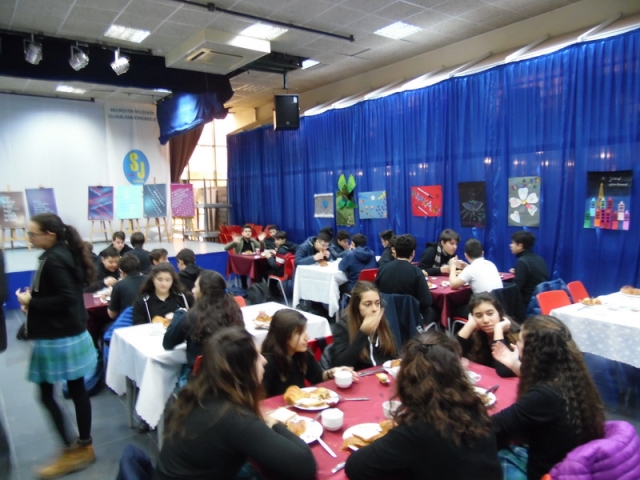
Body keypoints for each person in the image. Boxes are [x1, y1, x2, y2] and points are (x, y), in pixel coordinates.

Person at [155, 327, 317, 480]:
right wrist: (275, 424)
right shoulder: (233, 416)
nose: (264, 361)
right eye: (257, 356)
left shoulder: (201, 393)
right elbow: (304, 466)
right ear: (242, 369)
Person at [345, 331, 502, 480]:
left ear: (407, 379)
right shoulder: (474, 407)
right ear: (457, 372)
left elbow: (356, 467)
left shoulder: (417, 430)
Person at [14, 213, 97, 478]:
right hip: (69, 330)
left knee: (48, 395)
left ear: (49, 234)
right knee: (76, 389)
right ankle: (83, 444)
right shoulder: (64, 253)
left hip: (59, 335)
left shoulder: (54, 259)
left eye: (32, 233)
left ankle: (73, 449)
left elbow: (65, 298)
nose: (30, 238)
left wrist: (31, 301)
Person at [491, 316, 605, 480]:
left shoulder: (543, 396)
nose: (516, 344)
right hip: (572, 467)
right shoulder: (571, 377)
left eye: (520, 341)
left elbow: (494, 428)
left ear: (533, 351)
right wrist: (515, 365)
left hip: (546, 474)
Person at [261, 309, 356, 397]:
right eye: (299, 333)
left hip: (301, 402)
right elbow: (262, 399)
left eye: (305, 331)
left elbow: (317, 377)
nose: (307, 337)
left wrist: (333, 372)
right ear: (284, 337)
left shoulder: (302, 353)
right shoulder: (268, 363)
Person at [163, 270, 244, 371]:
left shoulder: (193, 316)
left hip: (203, 375)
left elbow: (167, 343)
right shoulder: (234, 311)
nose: (192, 290)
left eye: (195, 287)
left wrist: (178, 314)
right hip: (232, 371)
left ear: (203, 292)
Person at [331, 282, 397, 371]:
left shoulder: (383, 323)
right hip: (358, 376)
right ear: (356, 306)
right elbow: (340, 365)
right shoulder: (342, 326)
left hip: (383, 374)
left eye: (377, 303)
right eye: (368, 304)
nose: (374, 309)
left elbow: (394, 354)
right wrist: (363, 333)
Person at [375, 234, 435, 324]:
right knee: (435, 311)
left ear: (395, 251)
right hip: (410, 319)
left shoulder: (382, 269)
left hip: (386, 316)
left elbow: (375, 292)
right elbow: (426, 302)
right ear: (413, 253)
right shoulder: (417, 272)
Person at [456, 293, 519, 377]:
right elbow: (451, 355)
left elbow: (504, 371)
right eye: (479, 316)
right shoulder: (476, 334)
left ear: (499, 314)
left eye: (490, 314)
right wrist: (470, 325)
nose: (485, 320)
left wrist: (498, 330)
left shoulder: (517, 336)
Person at [509, 231, 549, 309]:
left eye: (512, 243)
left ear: (520, 246)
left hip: (529, 303)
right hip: (541, 300)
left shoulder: (522, 261)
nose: (510, 245)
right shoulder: (538, 258)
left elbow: (516, 288)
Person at [107, 254, 146, 320]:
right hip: (151, 319)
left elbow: (112, 315)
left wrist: (112, 295)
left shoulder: (119, 285)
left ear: (121, 271)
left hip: (129, 321)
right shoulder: (150, 279)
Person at [263, 231, 297, 297]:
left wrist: (269, 257)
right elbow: (285, 257)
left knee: (265, 272)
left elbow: (276, 266)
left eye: (278, 240)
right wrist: (277, 254)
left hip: (282, 272)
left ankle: (275, 294)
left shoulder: (281, 250)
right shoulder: (291, 246)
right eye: (275, 240)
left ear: (284, 239)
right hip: (292, 272)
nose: (275, 242)